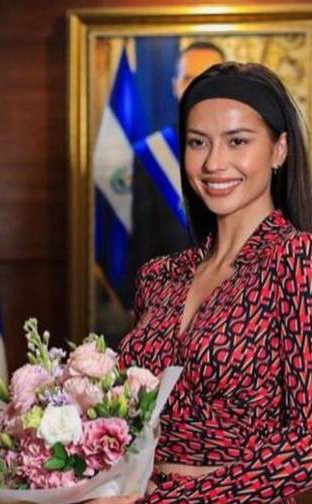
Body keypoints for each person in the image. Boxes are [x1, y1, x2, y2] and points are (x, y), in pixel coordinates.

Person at [59, 61, 312, 504]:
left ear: (279, 150)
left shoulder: (298, 262)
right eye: (197, 142)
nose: (215, 162)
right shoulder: (160, 276)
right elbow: (126, 431)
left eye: (238, 140)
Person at [127, 41, 224, 309]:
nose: (197, 88)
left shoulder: (249, 148)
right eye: (188, 78)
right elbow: (143, 244)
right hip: (170, 302)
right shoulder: (151, 153)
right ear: (175, 85)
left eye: (208, 78)